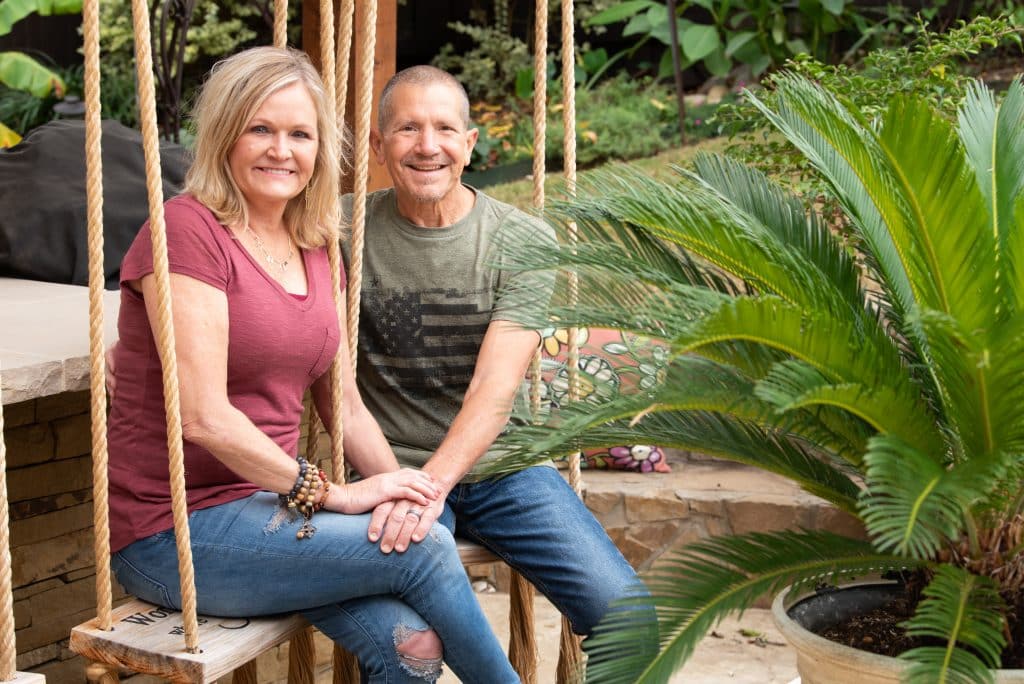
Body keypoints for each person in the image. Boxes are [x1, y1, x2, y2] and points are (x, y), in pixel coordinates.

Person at [105, 47, 519, 684]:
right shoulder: (188, 230)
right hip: (176, 533)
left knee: (412, 647)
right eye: (260, 129)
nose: (281, 150)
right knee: (429, 553)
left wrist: (412, 499)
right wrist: (335, 494)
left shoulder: (317, 242)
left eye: (300, 134)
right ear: (224, 135)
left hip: (272, 511)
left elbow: (345, 405)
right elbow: (206, 418)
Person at [335, 65, 649, 671]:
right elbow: (235, 234)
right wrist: (138, 317)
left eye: (445, 129)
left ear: (470, 143)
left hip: (505, 466)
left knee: (626, 615)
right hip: (388, 462)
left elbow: (492, 392)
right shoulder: (340, 228)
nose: (428, 146)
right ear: (377, 145)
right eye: (407, 129)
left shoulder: (522, 240)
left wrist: (430, 490)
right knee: (405, 641)